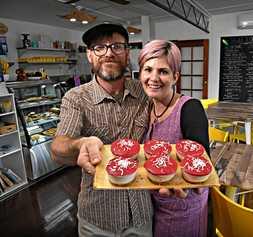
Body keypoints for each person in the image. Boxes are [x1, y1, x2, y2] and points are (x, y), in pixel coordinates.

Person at [51, 23, 153, 237]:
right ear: (89, 55)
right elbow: (58, 148)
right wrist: (80, 143)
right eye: (99, 47)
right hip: (97, 217)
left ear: (127, 53)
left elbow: (172, 106)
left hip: (142, 212)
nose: (108, 53)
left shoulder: (145, 92)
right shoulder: (76, 98)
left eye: (117, 46)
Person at [138, 39, 210, 237]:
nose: (153, 77)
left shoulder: (190, 108)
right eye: (148, 69)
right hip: (152, 205)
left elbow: (201, 162)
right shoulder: (145, 108)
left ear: (175, 77)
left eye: (163, 71)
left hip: (183, 208)